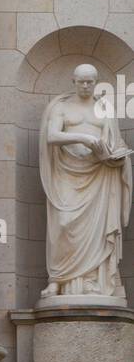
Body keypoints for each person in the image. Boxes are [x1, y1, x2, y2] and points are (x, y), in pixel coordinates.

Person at [39, 63, 132, 300]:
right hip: (67, 174)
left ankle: (93, 280)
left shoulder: (104, 110)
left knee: (98, 230)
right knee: (64, 222)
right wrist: (85, 138)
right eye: (82, 81)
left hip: (99, 176)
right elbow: (51, 136)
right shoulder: (61, 108)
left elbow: (115, 143)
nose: (86, 85)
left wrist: (113, 156)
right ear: (73, 81)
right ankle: (58, 280)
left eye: (90, 81)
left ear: (96, 81)